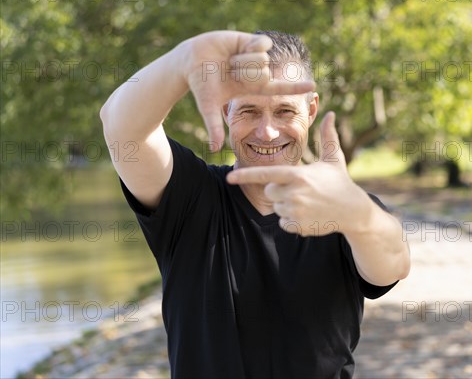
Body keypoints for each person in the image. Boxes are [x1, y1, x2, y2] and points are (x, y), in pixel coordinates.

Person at [100, 30, 410, 378]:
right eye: (249, 110)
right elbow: (120, 127)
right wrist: (181, 61)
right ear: (225, 109)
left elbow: (394, 265)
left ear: (311, 110)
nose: (267, 132)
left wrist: (357, 214)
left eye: (284, 111)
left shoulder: (343, 208)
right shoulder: (188, 196)